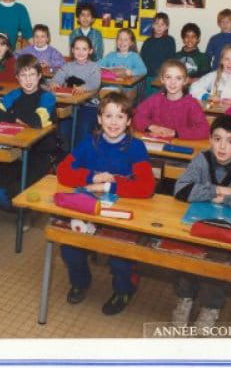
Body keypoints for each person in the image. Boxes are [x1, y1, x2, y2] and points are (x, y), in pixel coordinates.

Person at [57, 92, 155, 315]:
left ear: (128, 121)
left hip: (121, 210)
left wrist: (109, 186)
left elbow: (146, 187)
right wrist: (92, 177)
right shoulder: (89, 143)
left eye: (120, 117)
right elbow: (63, 171)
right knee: (69, 246)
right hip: (90, 207)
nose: (113, 122)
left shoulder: (136, 147)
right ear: (99, 118)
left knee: (120, 253)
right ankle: (80, 282)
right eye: (108, 116)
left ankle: (124, 289)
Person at [172, 115, 231, 329]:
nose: (222, 146)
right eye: (217, 139)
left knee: (216, 261)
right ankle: (185, 298)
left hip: (226, 231)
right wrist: (219, 190)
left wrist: (227, 198)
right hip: (197, 224)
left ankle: (211, 306)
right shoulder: (202, 160)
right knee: (186, 252)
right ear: (210, 140)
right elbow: (180, 190)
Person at [0, 54, 57, 209]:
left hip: (39, 153)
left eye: (32, 75)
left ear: (39, 76)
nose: (28, 80)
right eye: (23, 75)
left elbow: (36, 120)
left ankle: (25, 214)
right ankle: (19, 211)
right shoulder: (15, 94)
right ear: (17, 77)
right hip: (15, 150)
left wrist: (11, 115)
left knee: (18, 192)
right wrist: (16, 118)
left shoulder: (47, 97)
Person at [132, 59, 210, 140]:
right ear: (162, 79)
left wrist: (174, 133)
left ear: (185, 81)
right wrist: (151, 127)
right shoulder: (155, 99)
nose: (173, 82)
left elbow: (205, 129)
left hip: (179, 145)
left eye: (178, 78)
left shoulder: (191, 104)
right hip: (156, 144)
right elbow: (136, 117)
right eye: (168, 77)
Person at [49, 36, 102, 149]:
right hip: (70, 106)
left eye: (84, 49)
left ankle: (80, 154)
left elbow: (95, 83)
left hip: (89, 106)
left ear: (90, 51)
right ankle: (66, 154)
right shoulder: (67, 66)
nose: (80, 52)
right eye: (77, 48)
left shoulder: (94, 67)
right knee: (63, 129)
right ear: (72, 50)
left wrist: (84, 87)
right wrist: (54, 83)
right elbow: (57, 78)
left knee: (83, 128)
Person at [139, 12, 176, 96]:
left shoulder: (169, 40)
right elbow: (142, 60)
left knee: (159, 98)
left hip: (163, 76)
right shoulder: (147, 42)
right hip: (148, 76)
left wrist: (162, 75)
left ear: (166, 27)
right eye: (157, 24)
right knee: (147, 98)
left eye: (162, 24)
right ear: (153, 25)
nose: (159, 27)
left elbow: (170, 60)